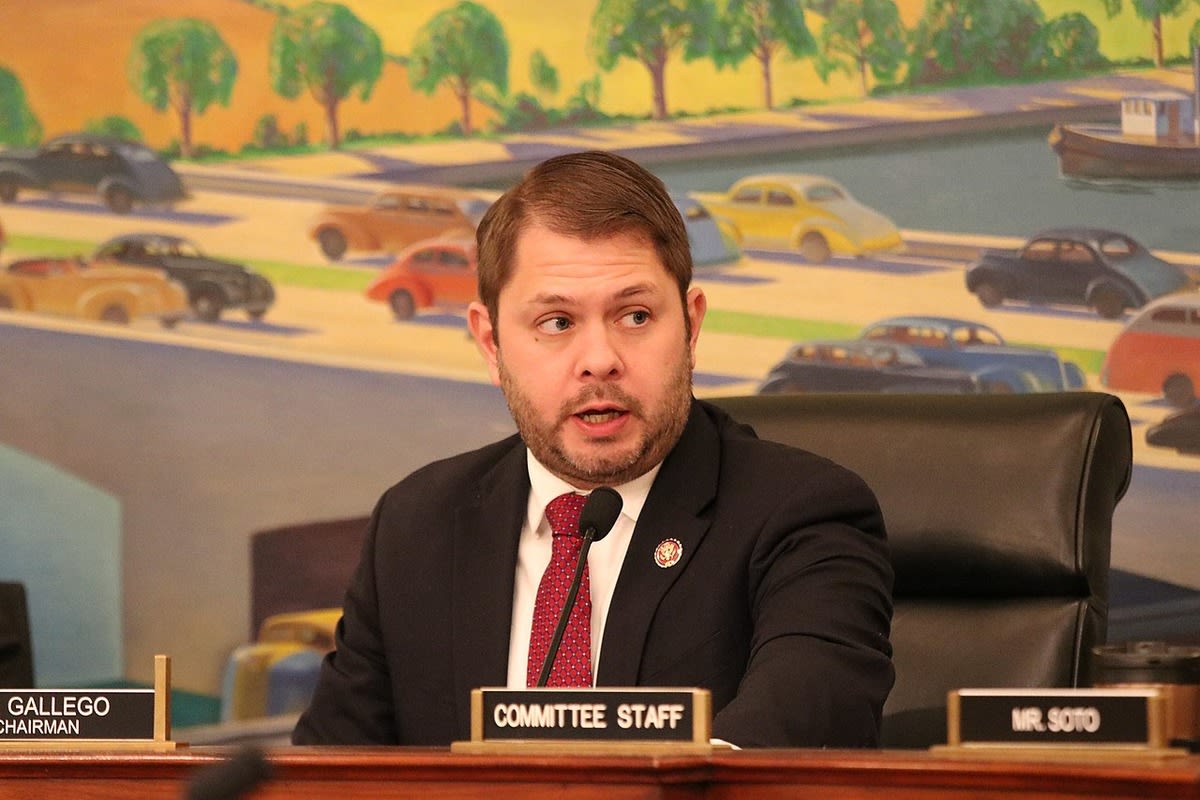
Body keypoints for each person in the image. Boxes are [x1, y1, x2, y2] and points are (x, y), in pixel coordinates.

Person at [292, 150, 894, 748]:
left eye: (635, 316)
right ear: (490, 341)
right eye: (556, 323)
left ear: (690, 325)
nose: (599, 360)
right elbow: (330, 768)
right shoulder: (419, 523)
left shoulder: (800, 513)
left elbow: (812, 711)